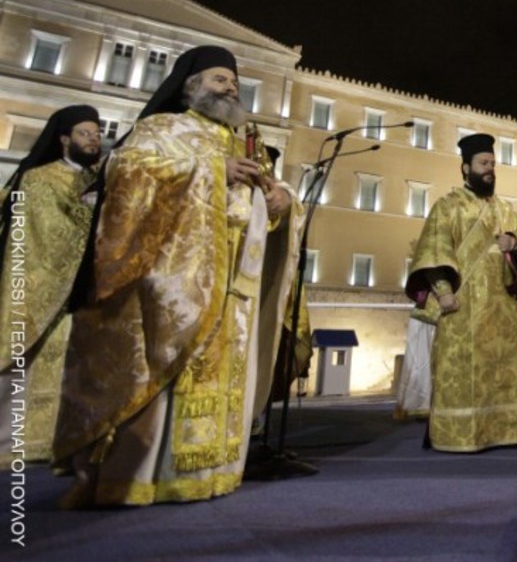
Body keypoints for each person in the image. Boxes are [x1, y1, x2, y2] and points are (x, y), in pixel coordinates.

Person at [53, 45, 304, 507]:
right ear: (190, 86)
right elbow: (126, 172)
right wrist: (212, 169)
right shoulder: (160, 128)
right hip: (174, 284)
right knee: (165, 378)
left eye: (232, 81)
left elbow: (267, 193)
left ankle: (212, 475)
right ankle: (142, 479)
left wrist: (283, 200)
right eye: (218, 79)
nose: (229, 87)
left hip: (235, 283)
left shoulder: (242, 139)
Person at [404, 133, 517, 452]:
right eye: (483, 163)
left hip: (501, 308)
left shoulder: (505, 209)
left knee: (499, 372)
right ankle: (459, 434)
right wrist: (444, 292)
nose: (490, 169)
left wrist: (514, 243)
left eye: (492, 164)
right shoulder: (447, 206)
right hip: (461, 308)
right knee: (463, 376)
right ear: (465, 168)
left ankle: (505, 432)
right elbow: (433, 251)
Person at [0, 105, 101, 463]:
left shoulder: (98, 180)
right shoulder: (38, 178)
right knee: (28, 360)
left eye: (97, 133)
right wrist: (88, 213)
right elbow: (47, 234)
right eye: (85, 133)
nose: (93, 139)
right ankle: (15, 441)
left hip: (83, 290)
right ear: (63, 139)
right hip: (43, 285)